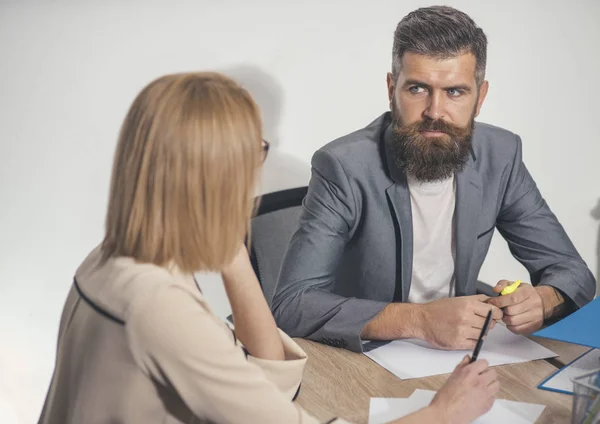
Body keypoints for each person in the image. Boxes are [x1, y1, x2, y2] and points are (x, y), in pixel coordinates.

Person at [38, 72, 499, 424]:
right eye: (255, 151)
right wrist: (444, 413)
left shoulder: (117, 260)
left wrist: (231, 248)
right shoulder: (157, 307)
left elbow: (269, 375)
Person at [272, 5, 596, 353]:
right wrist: (420, 320)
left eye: (455, 92)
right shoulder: (343, 166)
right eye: (417, 89)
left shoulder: (501, 156)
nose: (435, 112)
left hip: (458, 352)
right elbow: (293, 304)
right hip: (363, 355)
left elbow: (573, 272)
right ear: (391, 88)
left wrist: (542, 301)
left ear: (480, 97)